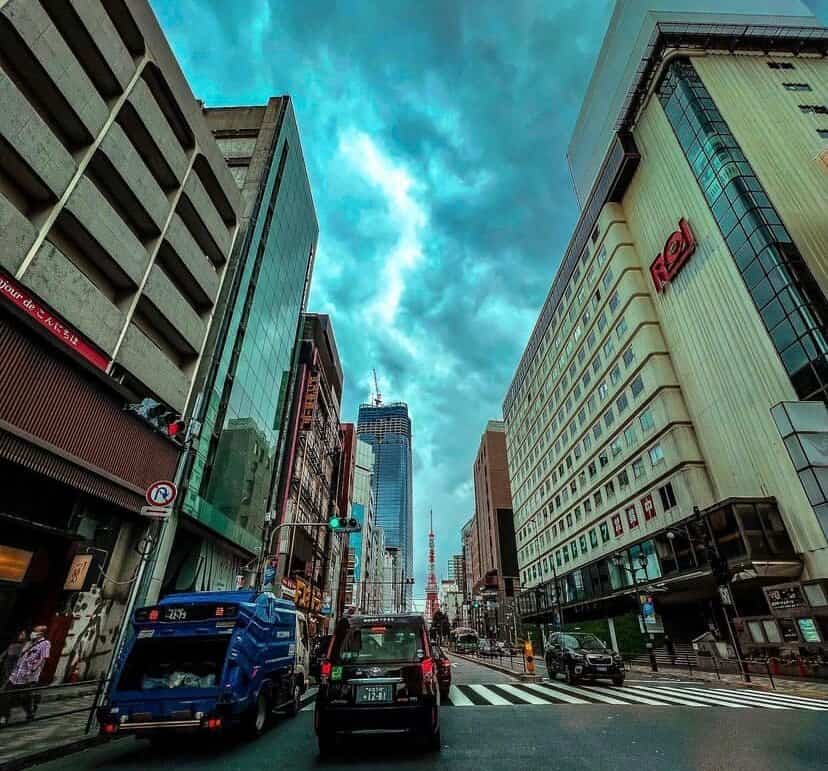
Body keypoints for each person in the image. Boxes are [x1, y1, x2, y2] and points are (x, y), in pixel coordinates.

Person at [0, 626, 51, 726]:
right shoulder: (29, 643)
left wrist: (32, 670)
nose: (33, 633)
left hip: (28, 677)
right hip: (16, 674)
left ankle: (30, 712)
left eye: (35, 631)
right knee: (5, 695)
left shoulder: (45, 643)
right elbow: (21, 656)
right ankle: (4, 716)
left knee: (25, 697)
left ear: (41, 634)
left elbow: (42, 659)